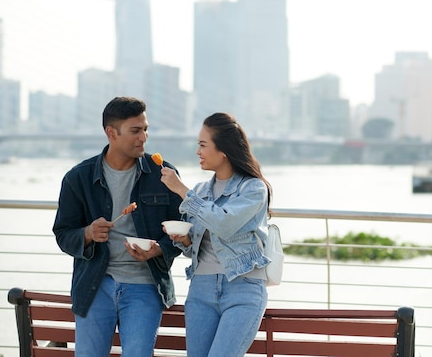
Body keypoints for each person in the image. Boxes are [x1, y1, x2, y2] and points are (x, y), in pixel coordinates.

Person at [52, 96, 184, 357]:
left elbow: (182, 231)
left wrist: (159, 249)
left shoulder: (164, 174)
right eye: (135, 131)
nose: (143, 138)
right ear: (111, 133)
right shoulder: (79, 178)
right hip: (94, 285)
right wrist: (88, 233)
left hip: (145, 286)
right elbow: (63, 234)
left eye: (145, 129)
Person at [159, 112, 272, 357]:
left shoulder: (253, 189)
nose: (197, 151)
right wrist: (185, 240)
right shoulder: (202, 191)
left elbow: (224, 223)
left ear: (224, 150)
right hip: (201, 290)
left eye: (202, 144)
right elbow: (196, 247)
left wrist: (181, 190)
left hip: (242, 288)